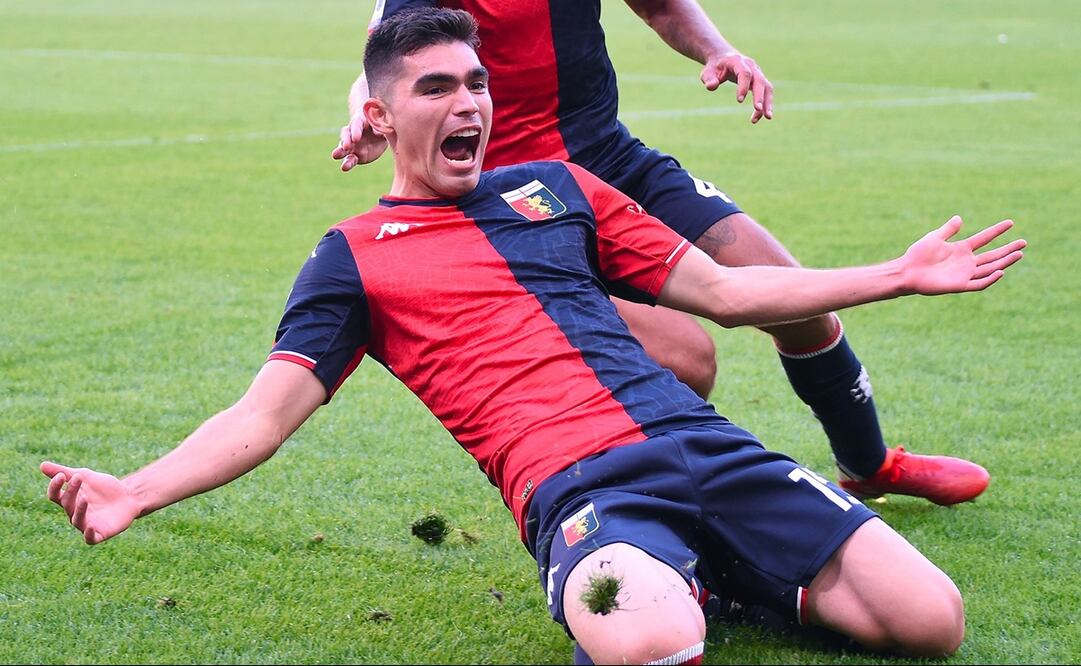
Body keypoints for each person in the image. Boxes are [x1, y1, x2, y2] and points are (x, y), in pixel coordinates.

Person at [43, 9, 1025, 664]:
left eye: (476, 84)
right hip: (583, 489)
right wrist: (138, 488)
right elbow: (262, 415)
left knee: (931, 621)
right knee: (648, 641)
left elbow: (726, 292)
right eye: (437, 89)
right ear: (380, 115)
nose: (468, 103)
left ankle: (723, 565)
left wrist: (897, 273)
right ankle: (675, 579)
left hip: (706, 448)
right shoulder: (350, 258)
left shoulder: (558, 188)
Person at [332, 0, 993, 506]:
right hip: (512, 203)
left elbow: (660, 5)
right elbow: (387, 60)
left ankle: (867, 465)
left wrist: (718, 49)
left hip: (612, 162)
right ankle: (658, 512)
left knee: (795, 302)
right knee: (686, 361)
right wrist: (364, 116)